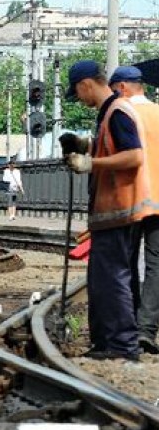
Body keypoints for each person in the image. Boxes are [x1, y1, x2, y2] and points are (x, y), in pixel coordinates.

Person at [61, 59, 152, 362]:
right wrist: (83, 146)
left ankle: (123, 347)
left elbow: (134, 156)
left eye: (79, 93)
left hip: (120, 209)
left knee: (114, 279)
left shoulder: (119, 111)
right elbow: (109, 147)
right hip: (109, 213)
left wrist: (90, 163)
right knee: (102, 280)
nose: (81, 100)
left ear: (86, 84)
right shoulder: (110, 113)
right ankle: (104, 344)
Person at [109, 65, 159, 355]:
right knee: (156, 265)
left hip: (130, 198)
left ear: (123, 87)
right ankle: (147, 329)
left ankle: (128, 326)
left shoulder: (121, 113)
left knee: (124, 262)